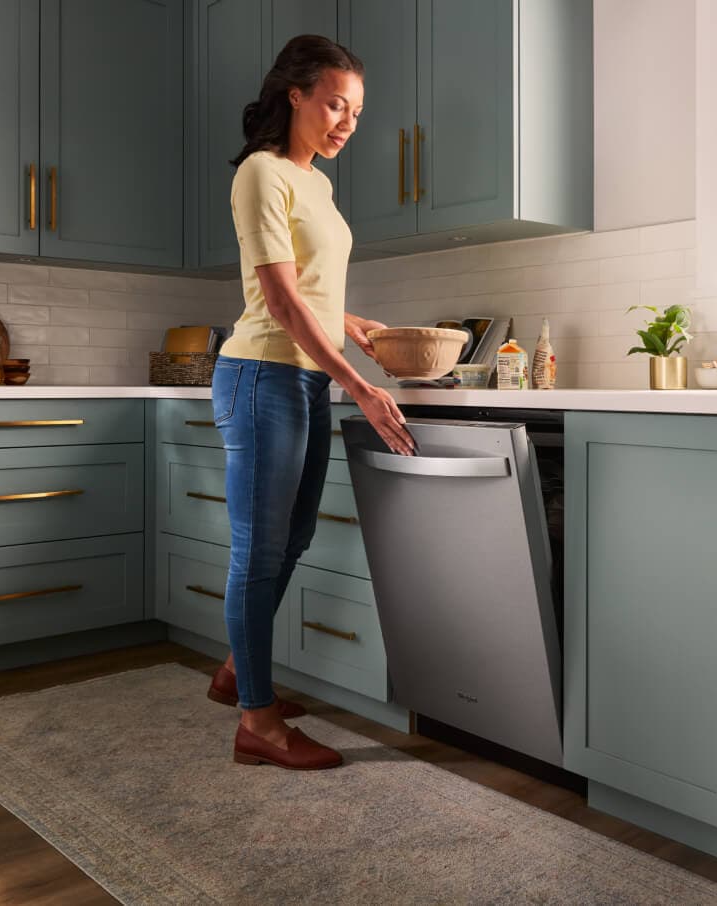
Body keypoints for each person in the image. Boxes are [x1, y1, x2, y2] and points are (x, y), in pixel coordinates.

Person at [206, 34, 416, 771]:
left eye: (355, 112)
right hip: (262, 378)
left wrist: (355, 327)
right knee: (259, 554)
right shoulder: (262, 175)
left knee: (290, 541)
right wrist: (360, 383)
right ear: (293, 93)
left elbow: (315, 297)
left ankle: (239, 671)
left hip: (304, 378)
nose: (345, 123)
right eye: (334, 103)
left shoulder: (317, 184)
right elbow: (281, 301)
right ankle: (256, 724)